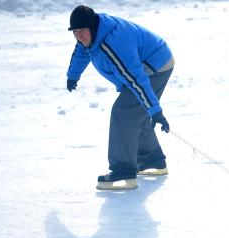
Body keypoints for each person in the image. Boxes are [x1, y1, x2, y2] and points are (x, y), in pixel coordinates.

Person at [66, 5, 175, 190]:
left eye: (82, 31)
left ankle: (123, 171)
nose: (80, 36)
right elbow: (82, 51)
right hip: (148, 60)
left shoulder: (113, 44)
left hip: (155, 65)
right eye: (75, 32)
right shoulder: (92, 34)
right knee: (134, 112)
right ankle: (152, 160)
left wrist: (155, 111)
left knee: (124, 112)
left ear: (91, 27)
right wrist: (73, 75)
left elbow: (136, 79)